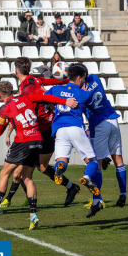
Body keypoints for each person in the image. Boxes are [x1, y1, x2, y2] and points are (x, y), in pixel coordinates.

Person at [0, 81, 78, 230]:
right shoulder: (26, 98)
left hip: (23, 140)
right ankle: (33, 215)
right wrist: (65, 101)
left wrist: (5, 119)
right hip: (37, 139)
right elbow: (48, 97)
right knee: (27, 178)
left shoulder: (5, 108)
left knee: (4, 174)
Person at [0, 57, 78, 209]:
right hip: (38, 130)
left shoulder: (28, 87)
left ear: (16, 71)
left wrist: (64, 100)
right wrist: (65, 81)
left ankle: (8, 199)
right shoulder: (33, 80)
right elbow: (48, 83)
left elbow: (43, 96)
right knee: (27, 169)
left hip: (43, 131)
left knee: (27, 169)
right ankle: (69, 187)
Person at [44, 63, 102, 218]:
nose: (84, 81)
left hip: (59, 129)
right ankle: (87, 178)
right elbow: (92, 104)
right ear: (78, 78)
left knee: (62, 160)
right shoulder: (84, 94)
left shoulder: (55, 89)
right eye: (83, 78)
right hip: (75, 127)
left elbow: (43, 98)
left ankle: (59, 169)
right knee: (92, 161)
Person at [83, 71, 128, 208]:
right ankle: (123, 193)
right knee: (118, 159)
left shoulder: (80, 91)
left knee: (96, 162)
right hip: (113, 119)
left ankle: (98, 199)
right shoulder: (95, 78)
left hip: (99, 123)